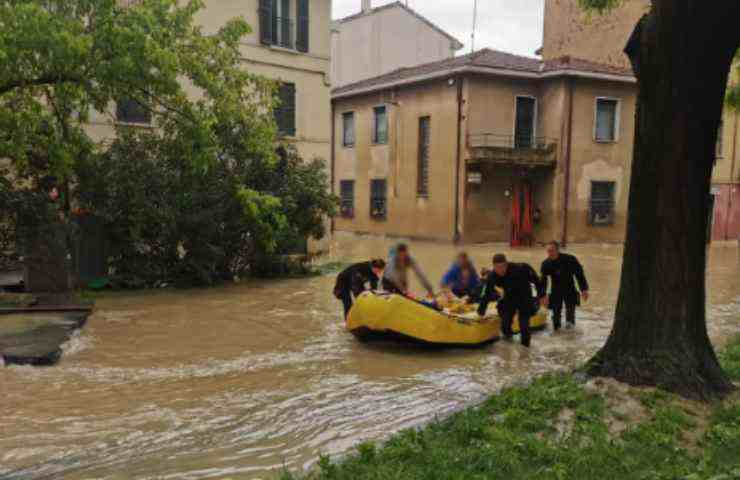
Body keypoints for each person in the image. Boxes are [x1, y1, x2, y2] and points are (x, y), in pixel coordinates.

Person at [477, 254, 545, 348]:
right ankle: (509, 347)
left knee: (524, 326)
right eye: (497, 267)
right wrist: (481, 311)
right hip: (509, 298)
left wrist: (542, 295)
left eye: (502, 266)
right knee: (505, 325)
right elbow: (487, 293)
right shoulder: (492, 276)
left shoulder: (521, 268)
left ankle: (525, 351)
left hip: (524, 297)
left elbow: (537, 280)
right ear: (493, 267)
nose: (500, 270)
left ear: (506, 264)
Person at [540, 241, 589, 330]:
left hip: (570, 289)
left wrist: (584, 289)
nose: (549, 253)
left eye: (551, 251)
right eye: (548, 251)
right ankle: (557, 336)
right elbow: (543, 281)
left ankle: (570, 337)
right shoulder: (546, 264)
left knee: (570, 319)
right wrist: (543, 295)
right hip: (556, 290)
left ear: (557, 250)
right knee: (555, 319)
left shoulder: (570, 259)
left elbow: (579, 274)